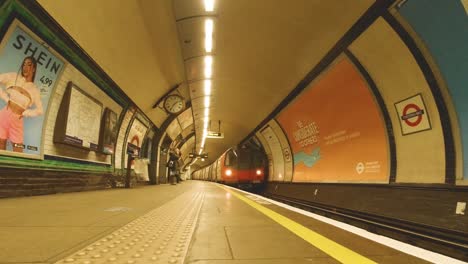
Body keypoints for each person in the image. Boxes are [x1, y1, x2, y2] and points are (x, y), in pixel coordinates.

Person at [0, 56, 43, 152]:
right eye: (24, 64)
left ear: (34, 69)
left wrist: (25, 113)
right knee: (1, 145)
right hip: (3, 115)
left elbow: (40, 110)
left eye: (29, 65)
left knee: (18, 149)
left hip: (17, 120)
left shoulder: (34, 90)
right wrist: (6, 98)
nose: (25, 67)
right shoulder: (13, 76)